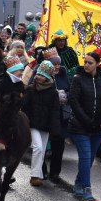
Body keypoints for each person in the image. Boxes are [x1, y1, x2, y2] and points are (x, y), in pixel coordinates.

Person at [69, 51, 101, 201]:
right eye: (85, 62)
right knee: (85, 155)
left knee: (88, 159)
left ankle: (78, 183)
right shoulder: (78, 79)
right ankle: (87, 188)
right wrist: (87, 120)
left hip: (98, 127)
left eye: (90, 63)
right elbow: (74, 102)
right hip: (80, 126)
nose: (86, 65)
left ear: (97, 63)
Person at [25, 59, 62, 187]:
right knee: (38, 148)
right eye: (38, 74)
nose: (39, 77)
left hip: (45, 125)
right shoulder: (31, 89)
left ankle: (38, 173)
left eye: (42, 75)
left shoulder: (52, 92)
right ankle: (34, 175)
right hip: (33, 124)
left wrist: (56, 129)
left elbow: (55, 112)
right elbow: (25, 108)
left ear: (47, 77)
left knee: (42, 150)